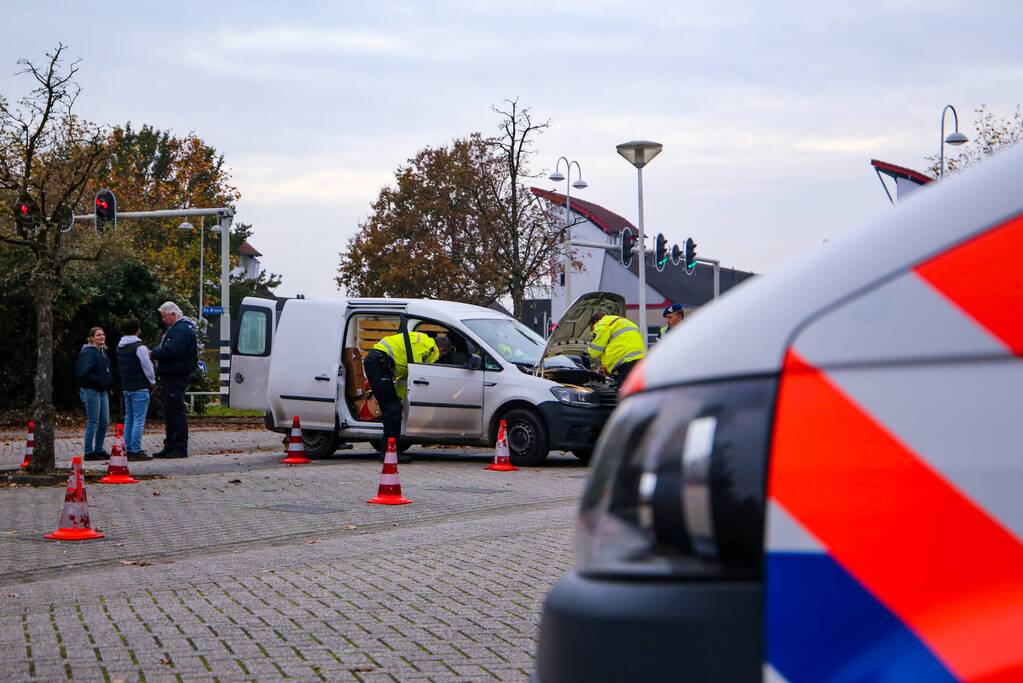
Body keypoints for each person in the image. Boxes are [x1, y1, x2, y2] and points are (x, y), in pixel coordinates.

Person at [363, 330, 440, 463]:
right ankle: (388, 454)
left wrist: (400, 398)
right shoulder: (429, 347)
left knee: (394, 409)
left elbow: (404, 379)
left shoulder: (422, 341)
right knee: (392, 412)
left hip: (378, 361)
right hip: (379, 363)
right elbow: (416, 370)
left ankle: (388, 451)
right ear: (442, 349)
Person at [150, 302, 198, 459]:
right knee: (170, 411)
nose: (163, 319)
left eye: (164, 316)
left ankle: (179, 447)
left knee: (176, 411)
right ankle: (170, 445)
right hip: (173, 374)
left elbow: (172, 350)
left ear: (173, 315)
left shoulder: (181, 329)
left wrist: (154, 353)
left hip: (176, 375)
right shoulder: (178, 329)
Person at [117, 319, 157, 461]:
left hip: (126, 386)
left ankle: (127, 448)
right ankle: (136, 449)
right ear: (138, 330)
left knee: (129, 418)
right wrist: (152, 381)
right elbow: (148, 367)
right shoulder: (139, 347)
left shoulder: (120, 346)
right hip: (139, 387)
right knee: (139, 420)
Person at [75, 326, 112, 461]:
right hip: (91, 390)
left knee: (104, 421)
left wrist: (107, 382)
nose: (101, 337)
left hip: (102, 391)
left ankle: (99, 449)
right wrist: (98, 381)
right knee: (93, 421)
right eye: (98, 335)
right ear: (91, 338)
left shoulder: (102, 352)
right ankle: (89, 451)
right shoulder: (88, 352)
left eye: (103, 334)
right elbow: (82, 373)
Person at [587, 312, 646, 387]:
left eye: (591, 328)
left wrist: (587, 350)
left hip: (627, 364)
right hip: (640, 361)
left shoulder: (603, 324)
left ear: (595, 322)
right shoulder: (626, 322)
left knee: (624, 393)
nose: (592, 330)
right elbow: (616, 344)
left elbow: (594, 352)